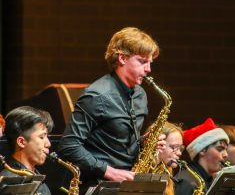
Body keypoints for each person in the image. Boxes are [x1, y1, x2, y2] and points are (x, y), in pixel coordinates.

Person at [58, 27, 165, 194]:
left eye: (150, 62)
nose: (149, 69)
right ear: (122, 58)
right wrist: (109, 171)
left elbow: (119, 141)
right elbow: (69, 145)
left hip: (127, 184)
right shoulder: (97, 96)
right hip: (97, 185)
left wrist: (144, 143)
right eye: (143, 61)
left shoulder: (140, 94)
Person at [0, 106, 54, 195]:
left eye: (47, 137)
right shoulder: (10, 184)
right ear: (21, 142)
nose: (48, 144)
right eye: (41, 137)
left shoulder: (38, 179)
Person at [175, 118, 229, 195]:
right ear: (202, 150)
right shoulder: (186, 182)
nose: (226, 155)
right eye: (220, 149)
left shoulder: (208, 179)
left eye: (226, 150)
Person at [150, 121, 184, 195]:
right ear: (159, 144)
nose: (179, 153)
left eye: (180, 148)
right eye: (174, 147)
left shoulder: (167, 171)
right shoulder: (140, 171)